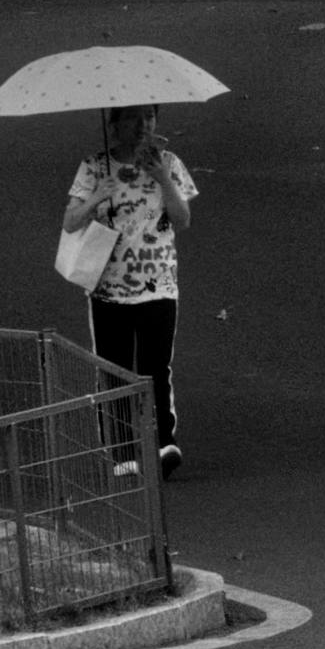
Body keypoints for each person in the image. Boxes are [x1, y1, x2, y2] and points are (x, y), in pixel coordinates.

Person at [58, 103, 197, 473]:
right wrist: (95, 198)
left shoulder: (170, 163)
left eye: (149, 117)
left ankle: (165, 444)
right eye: (133, 117)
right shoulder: (94, 167)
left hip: (160, 285)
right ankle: (122, 454)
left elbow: (182, 219)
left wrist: (163, 178)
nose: (143, 125)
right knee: (115, 369)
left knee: (156, 368)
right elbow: (70, 221)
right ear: (114, 124)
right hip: (109, 289)